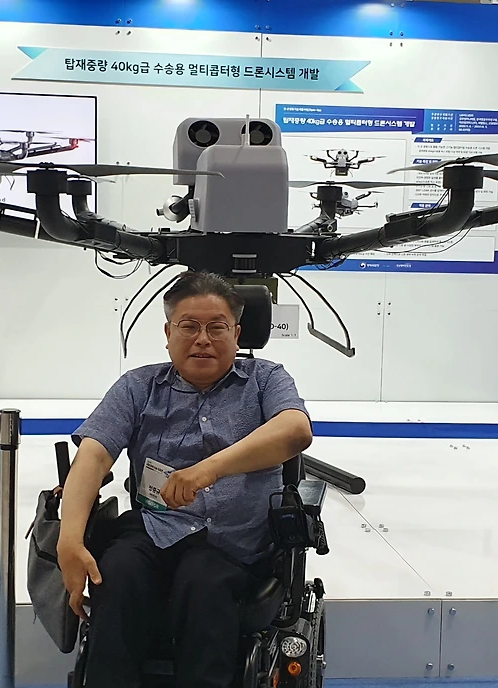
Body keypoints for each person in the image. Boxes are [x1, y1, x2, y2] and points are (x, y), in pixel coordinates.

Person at [58, 272, 314, 688]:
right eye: (189, 326)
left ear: (237, 334)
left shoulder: (266, 380)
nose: (202, 339)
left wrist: (208, 470)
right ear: (168, 333)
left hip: (232, 543)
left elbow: (295, 431)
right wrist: (69, 540)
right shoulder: (138, 386)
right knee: (116, 572)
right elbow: (93, 454)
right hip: (155, 529)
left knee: (204, 583)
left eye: (217, 328)